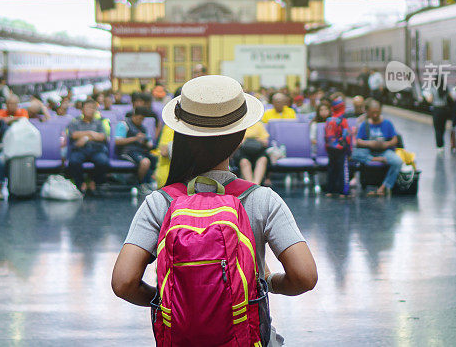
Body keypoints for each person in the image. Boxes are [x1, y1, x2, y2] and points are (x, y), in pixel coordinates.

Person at [111, 75, 317, 345]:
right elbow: (304, 276)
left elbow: (123, 282)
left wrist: (165, 301)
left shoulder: (161, 202)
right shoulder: (262, 200)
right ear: (240, 137)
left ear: (182, 134)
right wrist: (268, 281)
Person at [350, 100, 405, 197]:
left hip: (384, 151)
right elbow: (358, 141)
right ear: (368, 112)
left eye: (377, 112)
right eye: (372, 113)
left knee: (398, 162)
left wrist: (386, 144)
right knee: (353, 154)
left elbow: (395, 139)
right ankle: (374, 159)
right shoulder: (365, 124)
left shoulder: (387, 123)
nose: (375, 115)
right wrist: (369, 143)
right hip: (369, 151)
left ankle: (385, 186)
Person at [65, 99, 110, 195]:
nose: (90, 110)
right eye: (88, 107)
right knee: (74, 161)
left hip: (96, 150)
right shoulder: (75, 122)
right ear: (82, 110)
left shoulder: (99, 123)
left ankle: (94, 182)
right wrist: (91, 134)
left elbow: (102, 137)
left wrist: (85, 138)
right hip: (80, 150)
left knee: (103, 161)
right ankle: (81, 183)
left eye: (93, 108)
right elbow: (74, 135)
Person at [114, 107, 157, 192]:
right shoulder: (124, 124)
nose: (140, 121)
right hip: (126, 151)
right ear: (134, 116)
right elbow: (117, 141)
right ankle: (140, 184)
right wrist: (135, 138)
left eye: (142, 119)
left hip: (140, 150)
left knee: (155, 158)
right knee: (145, 162)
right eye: (139, 118)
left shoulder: (142, 127)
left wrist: (145, 142)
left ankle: (150, 182)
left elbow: (149, 144)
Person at [323, 97, 352, 197]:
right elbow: (346, 137)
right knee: (342, 170)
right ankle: (343, 192)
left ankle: (330, 190)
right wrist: (349, 151)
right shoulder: (343, 121)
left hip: (330, 149)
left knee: (331, 169)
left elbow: (325, 136)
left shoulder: (329, 120)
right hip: (341, 149)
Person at [233, 120, 271, 186]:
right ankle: (250, 186)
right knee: (244, 161)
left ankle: (256, 185)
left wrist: (256, 139)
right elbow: (237, 143)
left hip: (258, 150)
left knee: (263, 159)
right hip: (243, 151)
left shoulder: (259, 124)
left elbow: (265, 143)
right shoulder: (240, 125)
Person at [424, 74, 452, 153]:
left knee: (437, 129)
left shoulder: (433, 89)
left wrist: (425, 97)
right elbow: (451, 98)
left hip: (437, 110)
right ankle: (442, 144)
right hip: (445, 110)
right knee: (442, 128)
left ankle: (440, 146)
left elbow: (430, 100)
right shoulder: (446, 88)